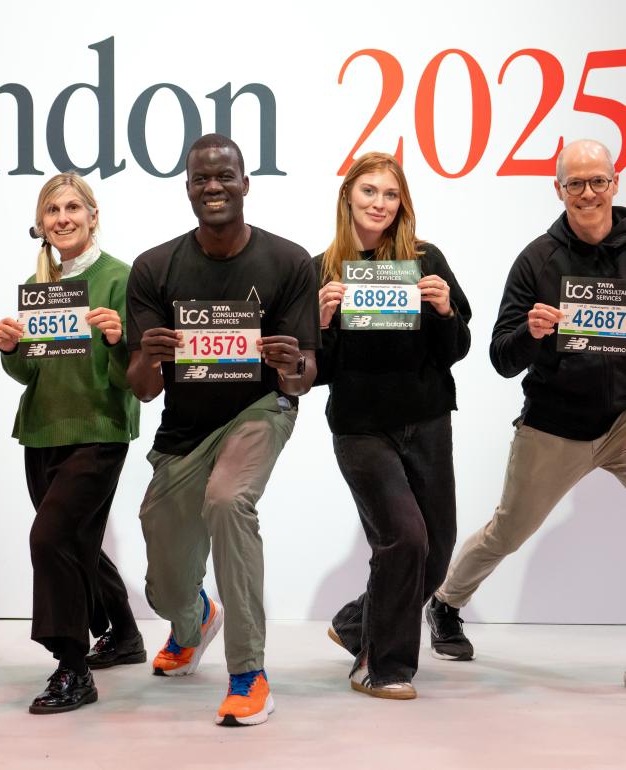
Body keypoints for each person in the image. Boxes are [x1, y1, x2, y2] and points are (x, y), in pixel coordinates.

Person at [126, 133, 319, 726]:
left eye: (224, 176)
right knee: (164, 585)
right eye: (201, 179)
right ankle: (194, 621)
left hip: (260, 409)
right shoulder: (154, 267)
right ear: (188, 189)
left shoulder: (289, 262)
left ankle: (249, 673)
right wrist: (149, 356)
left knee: (228, 501)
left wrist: (292, 367)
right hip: (184, 431)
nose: (214, 186)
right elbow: (142, 388)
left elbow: (304, 376)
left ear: (245, 184)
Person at [427, 139, 623, 667]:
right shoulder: (537, 260)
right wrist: (532, 333)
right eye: (576, 183)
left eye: (598, 181)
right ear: (558, 190)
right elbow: (500, 357)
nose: (588, 193)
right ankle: (445, 602)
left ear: (615, 182)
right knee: (508, 530)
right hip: (556, 423)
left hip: (623, 420)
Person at [316, 152, 471, 699]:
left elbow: (457, 349)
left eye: (390, 194)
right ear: (347, 197)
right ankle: (382, 665)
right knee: (405, 538)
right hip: (361, 428)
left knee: (438, 550)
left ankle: (357, 624)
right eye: (369, 191)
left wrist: (446, 312)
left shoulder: (426, 260)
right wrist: (322, 323)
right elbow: (313, 372)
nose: (379, 203)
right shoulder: (322, 270)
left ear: (402, 202)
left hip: (426, 421)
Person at [0, 172, 143, 715]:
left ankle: (72, 667)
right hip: (41, 431)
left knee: (50, 536)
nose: (63, 218)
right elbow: (29, 372)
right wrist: (11, 348)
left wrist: (118, 338)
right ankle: (124, 634)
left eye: (73, 207)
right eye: (53, 210)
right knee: (74, 541)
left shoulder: (122, 279)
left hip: (99, 431)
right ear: (41, 224)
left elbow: (137, 376)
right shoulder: (40, 287)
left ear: (93, 216)